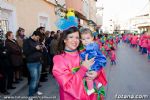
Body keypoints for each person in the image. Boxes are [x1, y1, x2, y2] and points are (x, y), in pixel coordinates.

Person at [53, 27, 107, 100]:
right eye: (71, 37)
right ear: (65, 39)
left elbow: (98, 65)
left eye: (77, 38)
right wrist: (83, 69)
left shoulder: (83, 53)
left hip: (91, 95)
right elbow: (67, 85)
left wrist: (96, 73)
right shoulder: (59, 59)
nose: (74, 40)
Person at [79, 28, 106, 95]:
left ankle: (91, 89)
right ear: (81, 40)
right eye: (83, 39)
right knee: (90, 76)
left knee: (88, 76)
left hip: (93, 64)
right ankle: (97, 83)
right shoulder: (87, 46)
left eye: (88, 38)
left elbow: (90, 55)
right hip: (93, 64)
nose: (86, 41)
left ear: (92, 38)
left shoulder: (91, 46)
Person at [23, 31, 43, 97]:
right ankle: (30, 95)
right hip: (31, 63)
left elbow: (39, 51)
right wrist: (35, 48)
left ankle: (36, 90)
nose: (38, 39)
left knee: (38, 78)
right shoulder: (26, 41)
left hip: (39, 62)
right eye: (37, 37)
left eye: (38, 38)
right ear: (34, 35)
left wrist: (41, 48)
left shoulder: (37, 41)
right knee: (34, 79)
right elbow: (25, 52)